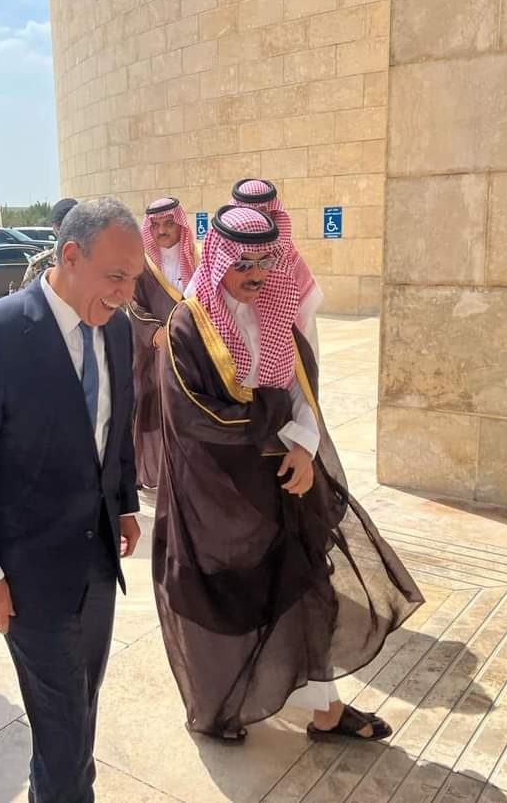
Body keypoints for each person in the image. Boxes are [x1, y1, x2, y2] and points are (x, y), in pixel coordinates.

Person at [154, 205, 424, 743]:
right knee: (226, 602)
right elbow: (194, 416)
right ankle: (220, 708)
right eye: (243, 264)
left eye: (265, 263)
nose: (256, 275)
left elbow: (302, 390)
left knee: (302, 588)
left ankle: (325, 709)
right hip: (216, 495)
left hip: (283, 484)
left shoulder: (277, 313)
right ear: (220, 260)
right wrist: (276, 425)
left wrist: (302, 446)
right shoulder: (187, 325)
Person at [0, 198, 144, 803]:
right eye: (116, 276)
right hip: (26, 572)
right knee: (63, 720)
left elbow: (114, 427)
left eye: (134, 279)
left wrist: (124, 502)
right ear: (70, 256)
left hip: (96, 556)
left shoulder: (117, 328)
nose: (126, 293)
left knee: (82, 699)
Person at [127, 196, 197, 488]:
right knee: (156, 409)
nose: (161, 231)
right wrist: (155, 333)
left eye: (168, 224)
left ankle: (189, 471)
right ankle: (158, 473)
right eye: (155, 226)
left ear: (180, 224)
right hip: (156, 351)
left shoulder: (198, 258)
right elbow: (132, 303)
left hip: (191, 350)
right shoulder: (141, 263)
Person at [229, 178, 325, 358]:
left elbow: (308, 333)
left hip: (281, 364)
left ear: (274, 215)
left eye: (262, 212)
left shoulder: (292, 264)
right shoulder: (220, 262)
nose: (256, 220)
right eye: (248, 212)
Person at [19, 196, 78, 289]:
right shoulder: (39, 264)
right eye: (63, 226)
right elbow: (28, 295)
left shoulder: (95, 259)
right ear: (55, 229)